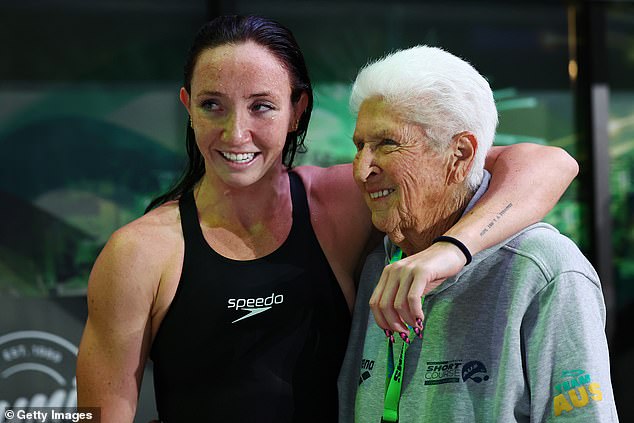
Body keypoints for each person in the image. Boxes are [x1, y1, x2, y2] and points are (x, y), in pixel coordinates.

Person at [75, 16, 578, 423]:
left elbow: (550, 163)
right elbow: (93, 416)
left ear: (299, 109)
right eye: (212, 106)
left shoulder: (342, 200)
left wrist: (454, 249)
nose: (236, 133)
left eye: (262, 107)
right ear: (188, 107)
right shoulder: (140, 253)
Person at [339, 45, 618, 422]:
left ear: (460, 155)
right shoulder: (381, 261)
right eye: (359, 146)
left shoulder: (543, 269)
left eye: (387, 144)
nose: (361, 170)